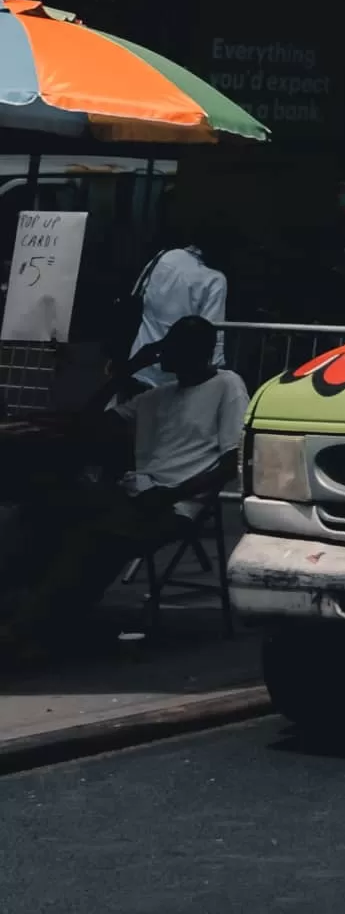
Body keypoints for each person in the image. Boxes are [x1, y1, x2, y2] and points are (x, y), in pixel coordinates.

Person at [0, 317, 247, 666]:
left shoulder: (226, 385)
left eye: (174, 345)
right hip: (135, 492)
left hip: (174, 502)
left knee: (92, 538)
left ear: (199, 352)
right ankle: (35, 616)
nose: (165, 352)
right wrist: (127, 370)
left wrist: (174, 493)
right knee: (45, 510)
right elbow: (89, 420)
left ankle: (26, 628)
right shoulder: (158, 397)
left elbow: (232, 458)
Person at [129, 240, 228, 387]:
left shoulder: (165, 256)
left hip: (139, 362)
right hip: (174, 379)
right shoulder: (214, 280)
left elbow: (138, 296)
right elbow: (212, 335)